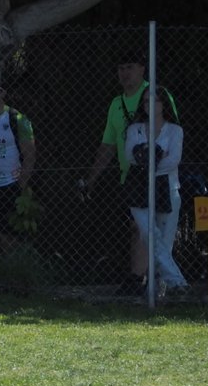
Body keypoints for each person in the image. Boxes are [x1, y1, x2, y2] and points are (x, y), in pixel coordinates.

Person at [81, 52, 179, 294]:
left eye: (130, 67)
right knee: (138, 227)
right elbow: (108, 146)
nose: (125, 73)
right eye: (121, 68)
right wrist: (91, 179)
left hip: (160, 178)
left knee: (153, 230)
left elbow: (172, 130)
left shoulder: (157, 95)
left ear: (142, 69)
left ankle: (155, 280)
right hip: (132, 177)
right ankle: (143, 279)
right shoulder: (116, 104)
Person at [124, 87, 188, 295]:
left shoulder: (175, 130)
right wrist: (153, 157)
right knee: (151, 235)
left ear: (164, 104)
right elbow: (130, 156)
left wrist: (148, 162)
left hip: (167, 188)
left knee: (164, 242)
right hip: (139, 189)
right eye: (145, 101)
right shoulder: (135, 129)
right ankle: (179, 283)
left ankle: (159, 290)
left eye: (154, 101)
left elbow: (173, 160)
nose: (149, 105)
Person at [0, 86, 36, 254]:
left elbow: (30, 154)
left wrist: (21, 184)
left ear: (3, 92)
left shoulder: (17, 118)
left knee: (8, 239)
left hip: (10, 185)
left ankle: (12, 273)